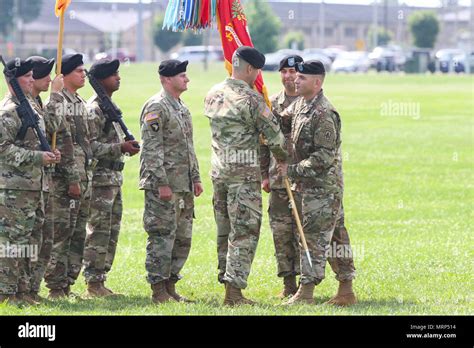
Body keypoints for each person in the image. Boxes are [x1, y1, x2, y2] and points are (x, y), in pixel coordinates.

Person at [204, 46, 287, 306]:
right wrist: (284, 157)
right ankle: (234, 292)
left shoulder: (212, 93)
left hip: (219, 172)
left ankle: (226, 280)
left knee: (224, 230)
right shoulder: (252, 100)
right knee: (244, 232)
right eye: (258, 71)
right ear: (250, 69)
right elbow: (276, 139)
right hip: (244, 177)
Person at [278, 60, 357, 306]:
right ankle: (346, 291)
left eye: (301, 78)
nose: (295, 80)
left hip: (323, 189)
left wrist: (290, 170)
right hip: (310, 187)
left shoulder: (324, 113)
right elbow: (282, 122)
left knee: (312, 237)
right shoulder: (302, 104)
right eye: (295, 77)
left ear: (317, 82)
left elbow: (323, 159)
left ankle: (307, 292)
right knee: (335, 239)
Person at [139, 59, 202, 304]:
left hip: (183, 185)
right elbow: (152, 150)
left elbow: (188, 147)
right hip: (164, 186)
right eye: (182, 76)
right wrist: (161, 182)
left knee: (182, 237)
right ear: (167, 79)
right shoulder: (157, 107)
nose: (186, 79)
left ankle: (171, 285)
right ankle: (158, 290)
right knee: (162, 235)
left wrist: (195, 178)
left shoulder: (181, 106)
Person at [0, 58, 59, 305]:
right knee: (11, 244)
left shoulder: (31, 107)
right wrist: (37, 157)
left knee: (29, 243)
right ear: (13, 80)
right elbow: (3, 149)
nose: (32, 81)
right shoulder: (8, 112)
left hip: (35, 187)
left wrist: (50, 155)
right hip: (15, 189)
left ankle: (23, 291)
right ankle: (5, 293)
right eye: (27, 77)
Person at [83, 58, 140, 297]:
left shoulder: (109, 106)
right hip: (99, 179)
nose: (118, 77)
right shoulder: (94, 109)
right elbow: (89, 147)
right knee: (99, 230)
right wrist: (120, 148)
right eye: (113, 74)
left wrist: (125, 146)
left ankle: (101, 279)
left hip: (113, 178)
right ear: (101, 80)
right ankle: (93, 283)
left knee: (111, 231)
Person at [44, 53, 94, 298]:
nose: (84, 74)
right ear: (65, 76)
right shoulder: (59, 100)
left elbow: (85, 142)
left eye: (84, 71)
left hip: (84, 177)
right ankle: (55, 286)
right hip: (65, 179)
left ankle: (67, 283)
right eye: (79, 71)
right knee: (62, 233)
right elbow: (56, 133)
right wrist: (73, 178)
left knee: (77, 234)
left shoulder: (79, 101)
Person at [26, 55, 70, 302]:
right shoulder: (29, 104)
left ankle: (32, 289)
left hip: (42, 181)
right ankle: (23, 290)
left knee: (44, 239)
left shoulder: (37, 103)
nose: (51, 79)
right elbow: (53, 124)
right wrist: (56, 95)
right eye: (46, 75)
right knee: (28, 240)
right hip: (26, 185)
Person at [260, 55, 303, 298]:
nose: (288, 76)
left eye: (293, 71)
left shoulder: (309, 101)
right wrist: (263, 174)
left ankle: (307, 283)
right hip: (278, 179)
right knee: (281, 232)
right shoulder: (271, 102)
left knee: (304, 231)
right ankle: (288, 283)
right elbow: (263, 142)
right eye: (284, 71)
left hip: (305, 181)